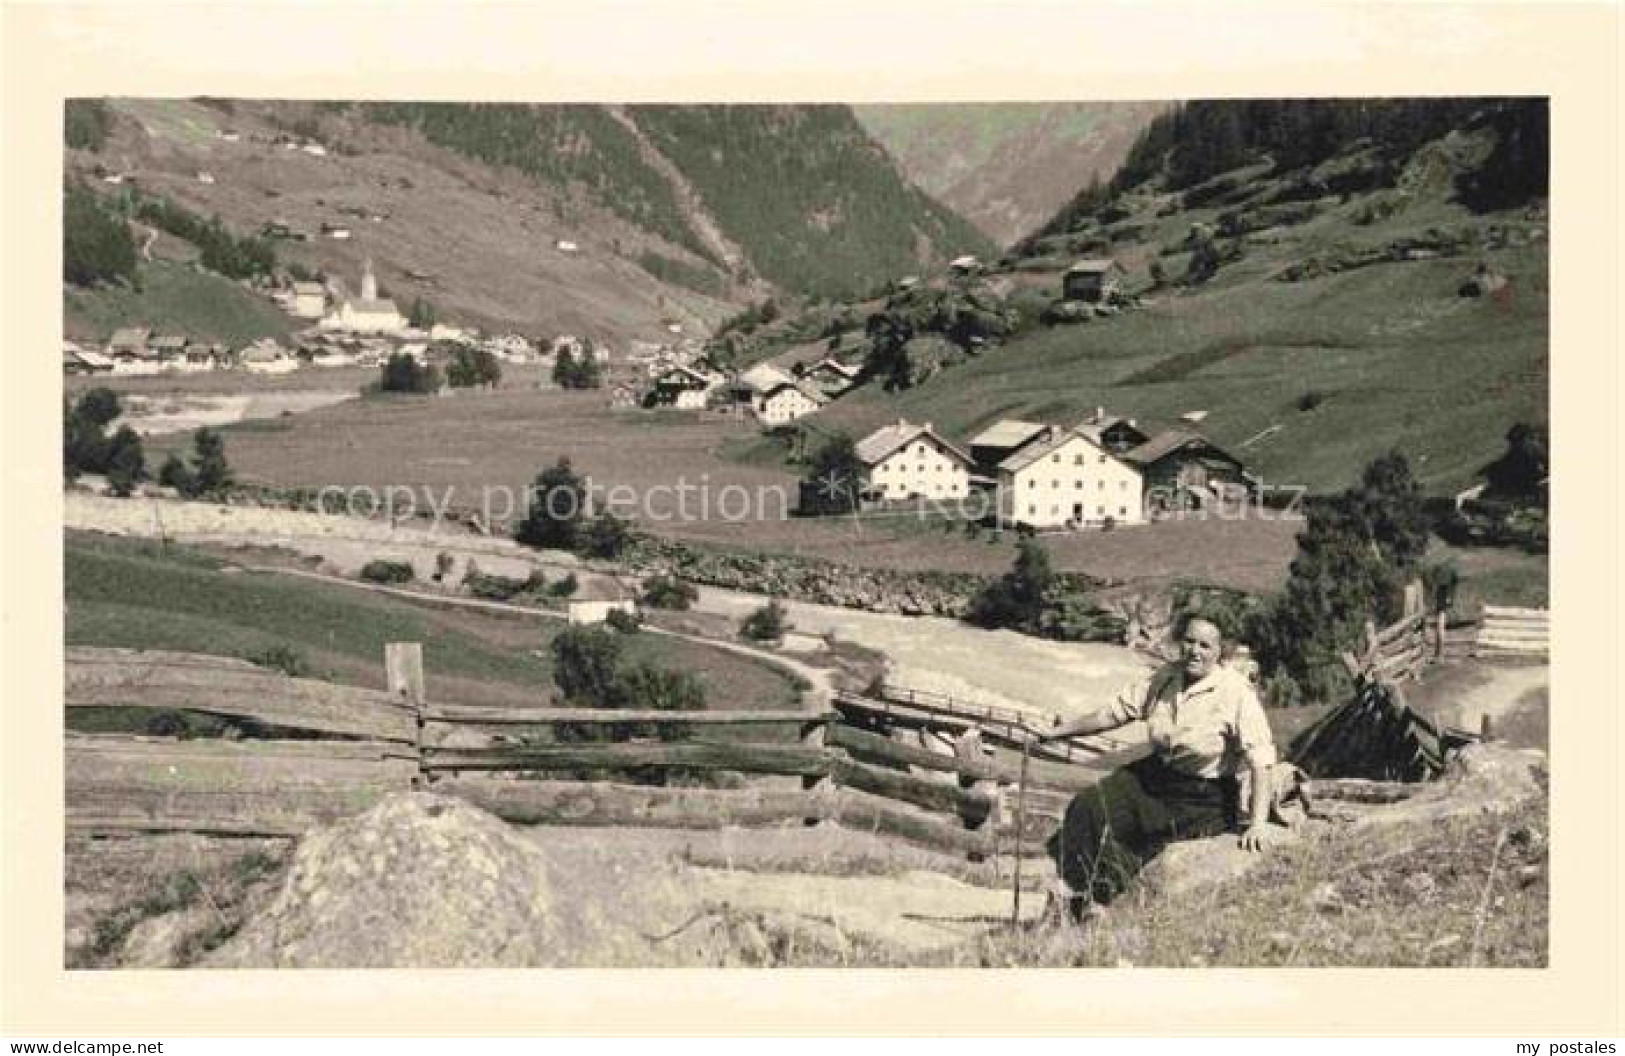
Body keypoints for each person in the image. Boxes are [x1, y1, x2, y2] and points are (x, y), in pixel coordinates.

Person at [1034, 613, 1284, 913]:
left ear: (1220, 652)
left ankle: (1105, 901)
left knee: (1145, 840)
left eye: (1205, 645)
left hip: (1203, 794)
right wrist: (1059, 732)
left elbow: (1261, 760)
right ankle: (1079, 893)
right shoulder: (1165, 677)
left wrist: (1257, 825)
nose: (1195, 651)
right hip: (1156, 775)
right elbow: (1111, 714)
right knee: (1089, 806)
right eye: (1189, 641)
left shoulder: (1236, 693)